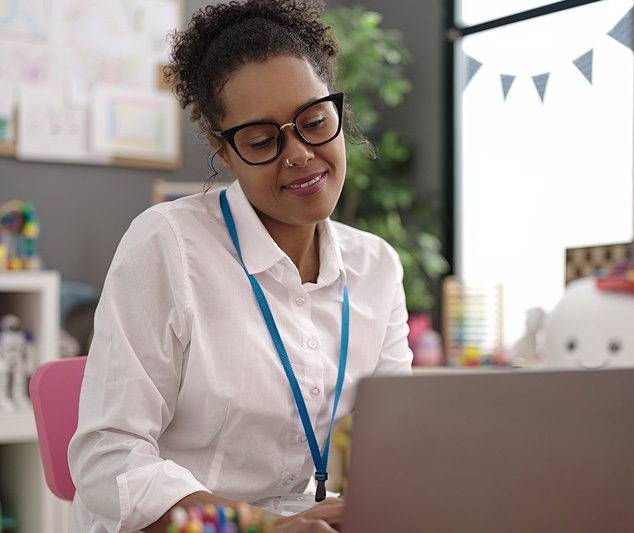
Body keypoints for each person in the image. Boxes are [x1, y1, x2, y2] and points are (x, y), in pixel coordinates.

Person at [67, 1, 413, 531]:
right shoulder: (169, 246)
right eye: (262, 140)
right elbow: (107, 458)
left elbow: (397, 446)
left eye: (315, 121)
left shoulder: (377, 267)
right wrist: (261, 526)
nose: (298, 153)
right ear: (223, 150)